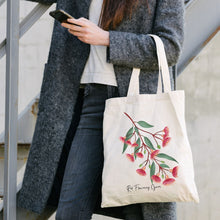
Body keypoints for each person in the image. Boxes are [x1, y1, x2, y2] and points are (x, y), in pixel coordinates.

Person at [17, 0, 185, 219]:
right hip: (92, 102)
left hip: (139, 107)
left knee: (139, 209)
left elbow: (171, 47)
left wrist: (106, 39)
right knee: (70, 211)